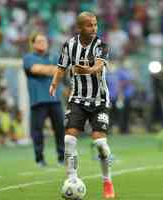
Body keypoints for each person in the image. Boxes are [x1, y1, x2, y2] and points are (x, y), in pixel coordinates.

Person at [49, 12, 115, 199]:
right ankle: (72, 179)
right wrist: (54, 83)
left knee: (100, 144)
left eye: (95, 25)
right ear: (79, 28)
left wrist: (87, 69)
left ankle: (107, 181)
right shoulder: (69, 45)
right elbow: (61, 67)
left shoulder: (101, 45)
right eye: (89, 25)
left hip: (99, 100)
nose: (94, 28)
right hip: (77, 98)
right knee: (69, 139)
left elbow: (99, 66)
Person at [23, 32, 65, 167]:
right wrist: (53, 70)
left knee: (60, 129)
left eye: (44, 41)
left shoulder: (54, 56)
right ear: (33, 44)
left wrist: (49, 70)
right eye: (39, 41)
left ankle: (62, 157)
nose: (43, 43)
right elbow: (35, 69)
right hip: (38, 100)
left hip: (55, 99)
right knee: (37, 131)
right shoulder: (28, 57)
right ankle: (39, 159)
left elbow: (62, 70)